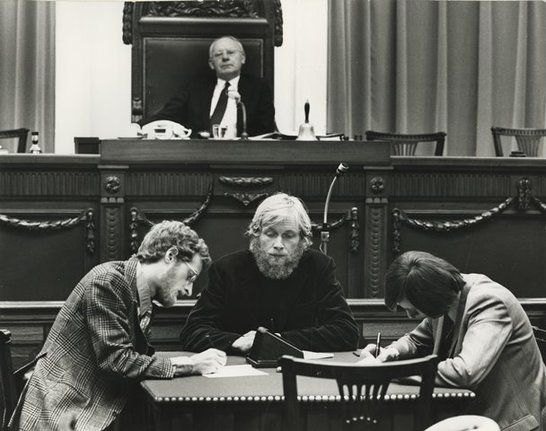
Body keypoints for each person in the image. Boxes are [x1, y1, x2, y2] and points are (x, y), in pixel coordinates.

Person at [10, 221, 226, 431]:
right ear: (170, 256)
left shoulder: (140, 294)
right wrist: (189, 364)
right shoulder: (108, 282)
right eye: (190, 277)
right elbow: (116, 361)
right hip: (64, 414)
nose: (189, 290)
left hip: (93, 407)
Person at [360, 251, 546, 431]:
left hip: (510, 423)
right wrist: (390, 353)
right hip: (472, 417)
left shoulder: (488, 302)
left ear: (429, 299)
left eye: (414, 310)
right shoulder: (445, 297)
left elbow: (465, 372)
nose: (410, 316)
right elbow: (414, 340)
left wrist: (387, 371)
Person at [180, 193, 359, 354]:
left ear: (302, 240)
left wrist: (277, 341)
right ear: (256, 234)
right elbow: (193, 331)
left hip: (300, 375)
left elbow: (346, 332)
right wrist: (236, 342)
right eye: (270, 234)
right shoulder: (226, 270)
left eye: (289, 235)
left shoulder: (319, 267)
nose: (278, 244)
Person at [142, 35, 276, 138]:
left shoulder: (259, 88)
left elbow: (267, 129)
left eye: (230, 52)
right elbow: (166, 115)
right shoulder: (196, 88)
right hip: (200, 156)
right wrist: (136, 126)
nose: (225, 58)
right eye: (218, 55)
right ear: (212, 64)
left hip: (244, 157)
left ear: (243, 58)